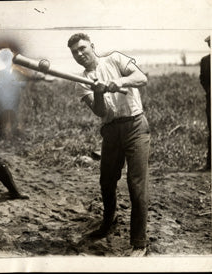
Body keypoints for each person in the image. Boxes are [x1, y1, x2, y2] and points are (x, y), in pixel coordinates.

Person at [67, 33, 150, 256]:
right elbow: (100, 112)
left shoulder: (114, 59)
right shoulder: (81, 82)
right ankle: (108, 220)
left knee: (136, 184)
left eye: (82, 48)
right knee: (106, 181)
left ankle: (139, 242)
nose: (79, 54)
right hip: (111, 131)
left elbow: (142, 78)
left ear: (92, 46)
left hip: (135, 125)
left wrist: (120, 81)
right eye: (75, 52)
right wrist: (98, 91)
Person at [0, 48, 27, 140]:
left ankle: (14, 136)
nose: (7, 62)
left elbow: (25, 81)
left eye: (8, 59)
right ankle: (1, 137)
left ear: (11, 60)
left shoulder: (17, 73)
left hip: (14, 98)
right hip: (2, 99)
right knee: (2, 117)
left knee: (14, 116)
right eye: (5, 60)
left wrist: (18, 84)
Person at [199, 36, 211, 170]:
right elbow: (202, 79)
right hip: (211, 101)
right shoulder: (205, 61)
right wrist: (209, 91)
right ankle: (210, 164)